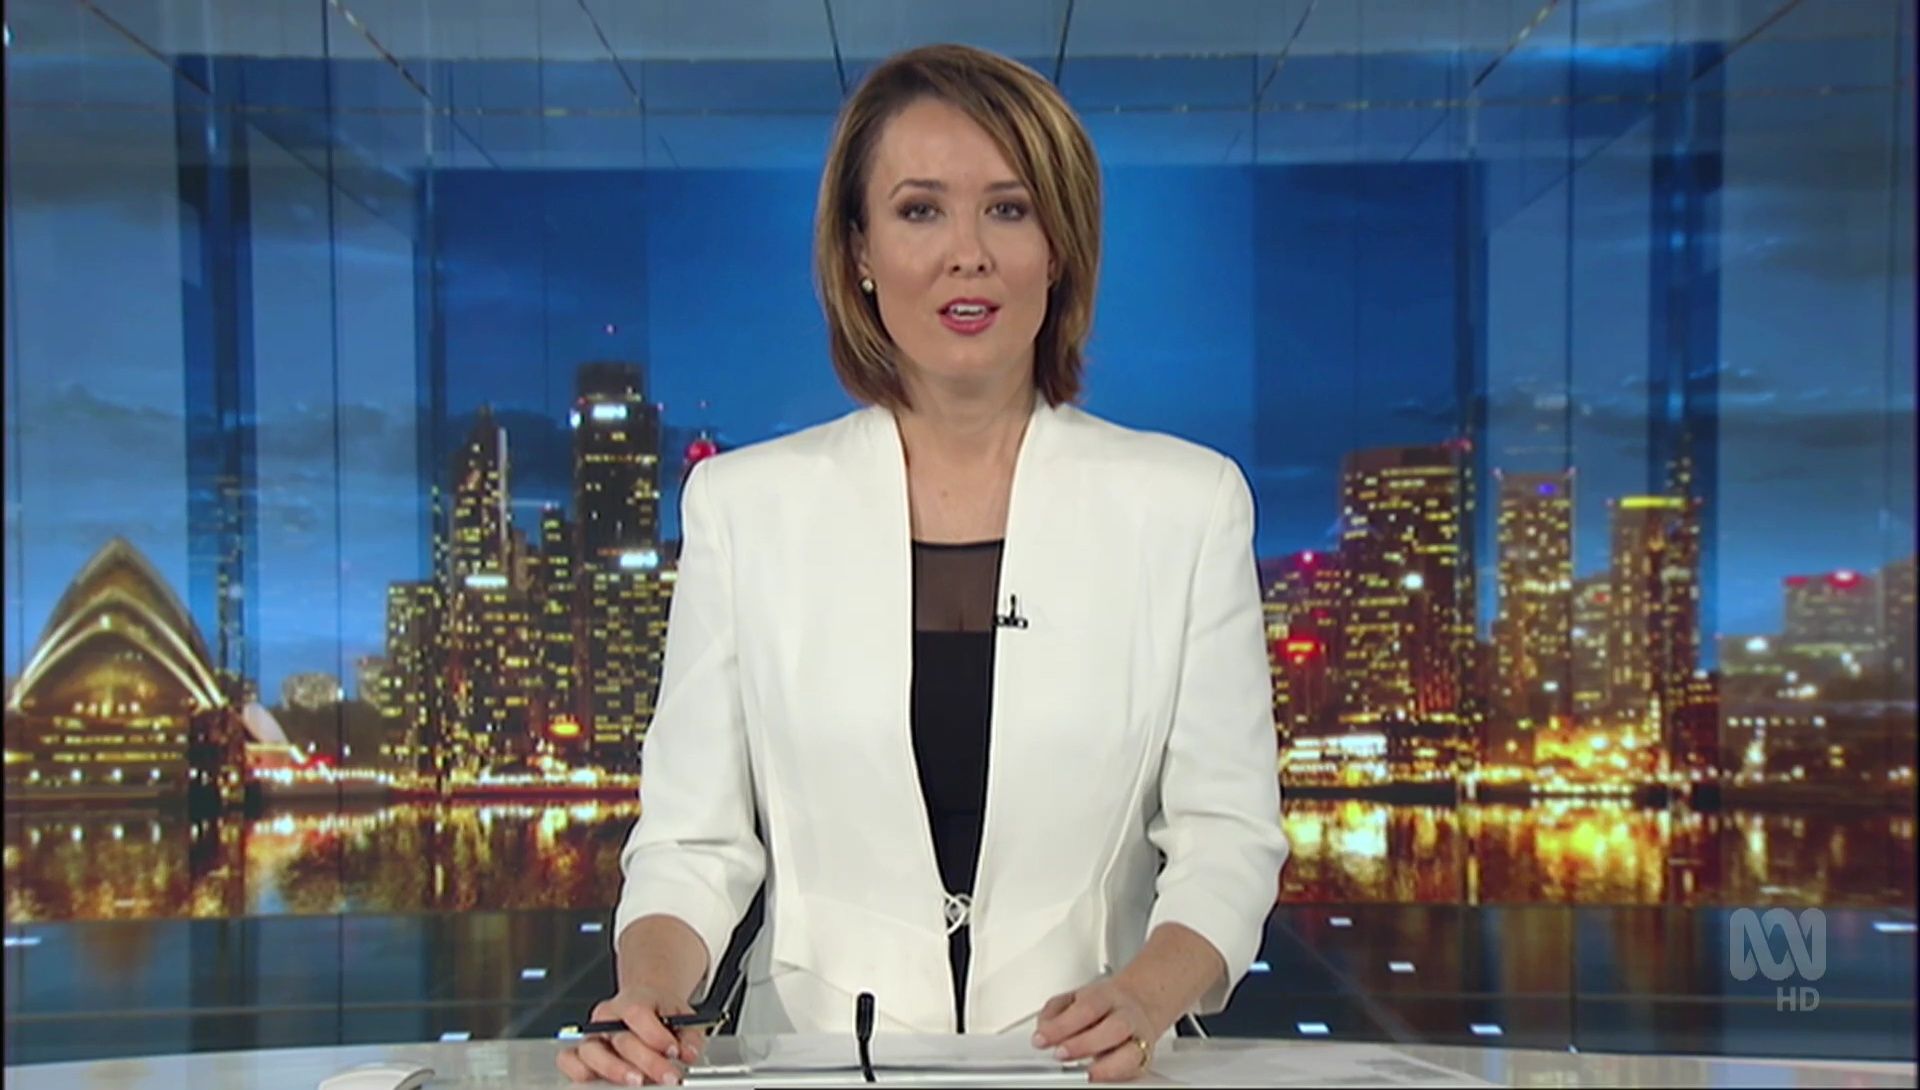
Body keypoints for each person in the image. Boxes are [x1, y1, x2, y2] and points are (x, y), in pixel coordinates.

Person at [558, 43, 1287, 1087]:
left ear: (1059, 248)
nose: (967, 254)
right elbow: (692, 845)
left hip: (1091, 1072)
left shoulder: (1186, 506)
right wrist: (650, 999)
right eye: (919, 211)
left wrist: (1146, 994)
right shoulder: (744, 510)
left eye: (1009, 209)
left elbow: (1227, 840)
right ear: (858, 249)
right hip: (814, 1064)